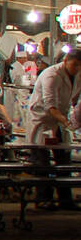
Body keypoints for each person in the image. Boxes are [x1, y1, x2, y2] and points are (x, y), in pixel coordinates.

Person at [23, 50, 81, 210]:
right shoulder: (51, 75)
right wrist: (66, 121)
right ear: (66, 61)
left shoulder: (77, 75)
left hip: (60, 121)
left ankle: (65, 199)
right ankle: (43, 199)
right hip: (43, 120)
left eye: (79, 66)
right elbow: (50, 106)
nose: (76, 69)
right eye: (74, 65)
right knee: (42, 162)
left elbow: (74, 98)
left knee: (64, 160)